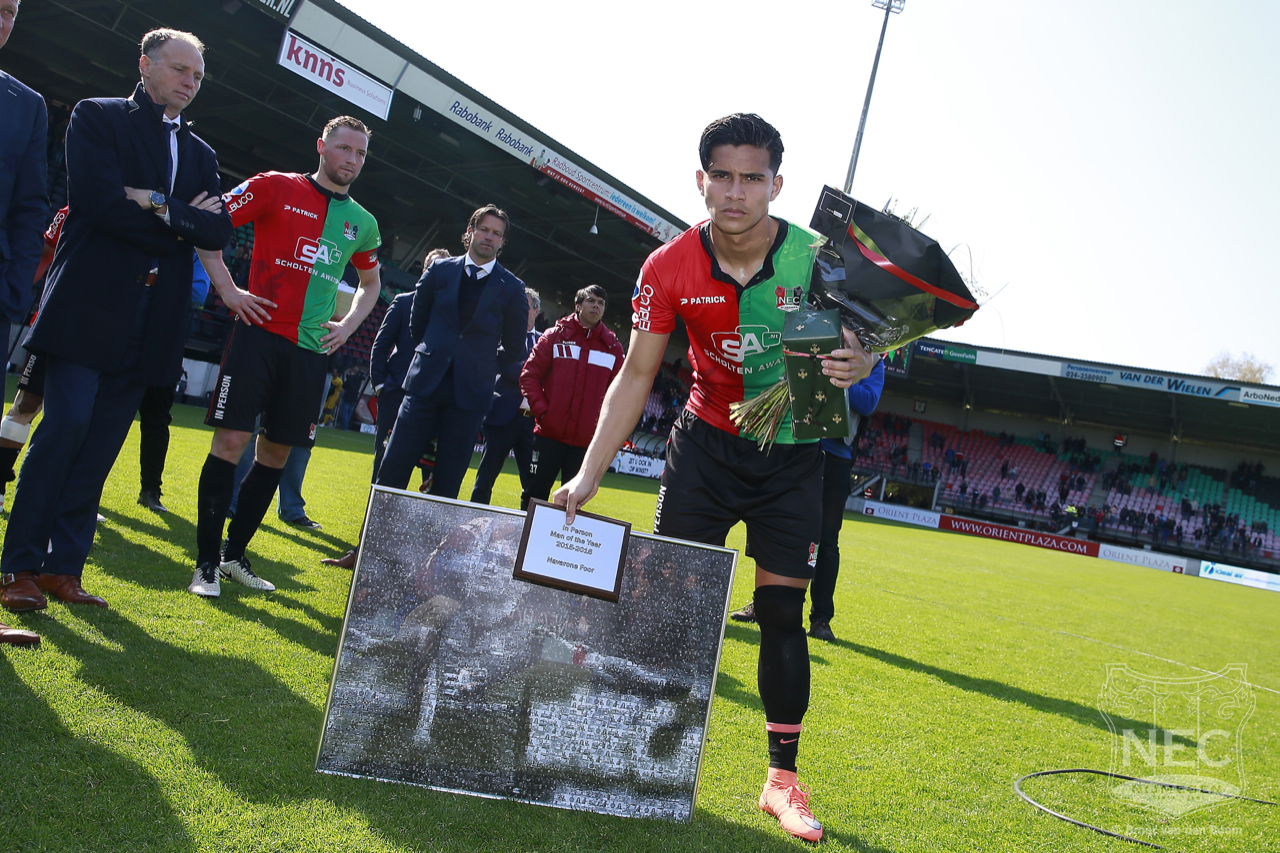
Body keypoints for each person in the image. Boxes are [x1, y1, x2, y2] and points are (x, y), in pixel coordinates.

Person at [552, 114, 874, 842]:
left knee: (784, 618)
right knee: (667, 606)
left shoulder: (818, 257)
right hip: (704, 446)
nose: (736, 192)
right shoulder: (666, 267)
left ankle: (781, 781)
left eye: (752, 177)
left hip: (793, 454)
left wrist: (863, 361)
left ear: (776, 184)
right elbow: (637, 373)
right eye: (722, 176)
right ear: (701, 181)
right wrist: (588, 473)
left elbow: (859, 341)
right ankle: (631, 752)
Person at [1, 28, 231, 615]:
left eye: (198, 76)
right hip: (88, 306)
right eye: (180, 69)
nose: (189, 82)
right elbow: (101, 205)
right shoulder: (98, 117)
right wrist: (181, 220)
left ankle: (63, 569)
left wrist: (153, 202)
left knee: (102, 444)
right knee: (64, 429)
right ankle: (19, 567)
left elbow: (217, 231)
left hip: (154, 318)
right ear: (146, 66)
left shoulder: (203, 154)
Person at [189, 115, 382, 599]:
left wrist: (349, 326)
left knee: (275, 453)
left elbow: (371, 283)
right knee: (232, 442)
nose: (351, 160)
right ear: (321, 146)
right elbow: (209, 226)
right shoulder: (275, 187)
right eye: (344, 149)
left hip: (311, 351)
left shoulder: (363, 222)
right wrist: (229, 291)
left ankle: (235, 556)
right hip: (255, 335)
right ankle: (207, 564)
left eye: (360, 154)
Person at [372, 205, 527, 500]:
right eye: (483, 229)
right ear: (469, 232)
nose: (489, 237)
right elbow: (417, 323)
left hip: (470, 396)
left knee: (448, 481)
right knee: (392, 470)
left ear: (503, 243)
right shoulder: (439, 271)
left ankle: (431, 547)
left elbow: (514, 345)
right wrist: (433, 352)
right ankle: (369, 546)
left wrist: (483, 367)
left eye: (497, 234)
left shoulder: (512, 288)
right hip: (423, 386)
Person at [730, 357, 885, 643]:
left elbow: (869, 402)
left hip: (835, 458)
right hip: (794, 445)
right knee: (771, 524)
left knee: (826, 538)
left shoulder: (873, 361)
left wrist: (831, 376)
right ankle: (762, 603)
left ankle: (821, 618)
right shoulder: (822, 343)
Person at [0, 0, 47, 643]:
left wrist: (12, 291)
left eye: (10, 10)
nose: (3, 19)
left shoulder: (25, 104)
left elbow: (30, 203)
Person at [518, 284, 623, 509]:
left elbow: (620, 393)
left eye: (601, 303)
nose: (596, 305)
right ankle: (523, 543)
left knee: (572, 504)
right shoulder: (554, 337)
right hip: (548, 436)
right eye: (591, 300)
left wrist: (600, 426)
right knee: (533, 495)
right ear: (578, 306)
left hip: (585, 445)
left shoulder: (613, 348)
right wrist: (544, 412)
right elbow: (529, 376)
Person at [368, 247, 450, 482]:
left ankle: (421, 518)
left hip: (433, 398)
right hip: (395, 393)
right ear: (425, 271)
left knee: (431, 465)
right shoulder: (403, 303)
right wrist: (381, 386)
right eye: (435, 267)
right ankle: (376, 516)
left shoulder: (453, 313)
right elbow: (380, 345)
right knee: (385, 458)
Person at [469, 285, 542, 506]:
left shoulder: (546, 341)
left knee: (533, 483)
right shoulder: (503, 335)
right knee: (486, 476)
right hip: (503, 417)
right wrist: (537, 375)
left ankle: (527, 530)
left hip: (532, 423)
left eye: (526, 306)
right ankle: (474, 521)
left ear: (536, 311)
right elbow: (507, 367)